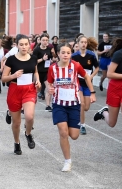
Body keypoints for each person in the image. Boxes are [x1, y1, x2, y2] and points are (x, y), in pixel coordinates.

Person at [47, 43, 96, 172]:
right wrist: (50, 88)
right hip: (58, 104)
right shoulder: (53, 68)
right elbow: (49, 82)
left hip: (74, 104)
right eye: (63, 52)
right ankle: (67, 161)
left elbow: (86, 76)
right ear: (58, 54)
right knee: (63, 132)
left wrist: (92, 92)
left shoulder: (75, 65)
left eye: (68, 53)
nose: (65, 55)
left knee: (74, 135)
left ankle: (68, 133)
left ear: (71, 54)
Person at [93, 32, 122, 163]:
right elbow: (109, 74)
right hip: (115, 89)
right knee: (112, 123)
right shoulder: (119, 54)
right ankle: (104, 113)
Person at [2, 34, 41, 155]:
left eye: (26, 44)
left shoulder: (33, 58)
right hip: (15, 89)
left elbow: (35, 71)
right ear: (17, 45)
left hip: (29, 89)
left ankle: (28, 134)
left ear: (29, 45)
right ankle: (17, 142)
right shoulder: (11, 59)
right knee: (17, 122)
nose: (24, 47)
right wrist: (13, 75)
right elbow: (3, 78)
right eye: (21, 44)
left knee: (29, 116)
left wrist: (38, 80)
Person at [71, 36, 99, 135]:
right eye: (82, 42)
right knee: (82, 104)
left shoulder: (91, 55)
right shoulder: (74, 56)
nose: (83, 44)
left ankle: (77, 113)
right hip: (78, 83)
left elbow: (97, 67)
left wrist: (91, 76)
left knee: (86, 107)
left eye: (85, 42)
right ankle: (82, 125)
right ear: (77, 44)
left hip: (87, 83)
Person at [33, 33, 54, 111]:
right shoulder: (36, 50)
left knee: (49, 88)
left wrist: (52, 59)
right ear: (40, 41)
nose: (45, 42)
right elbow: (34, 62)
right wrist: (42, 59)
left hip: (46, 72)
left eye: (46, 40)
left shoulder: (49, 49)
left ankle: (48, 106)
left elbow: (51, 58)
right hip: (37, 72)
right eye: (43, 40)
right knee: (36, 90)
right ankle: (29, 106)